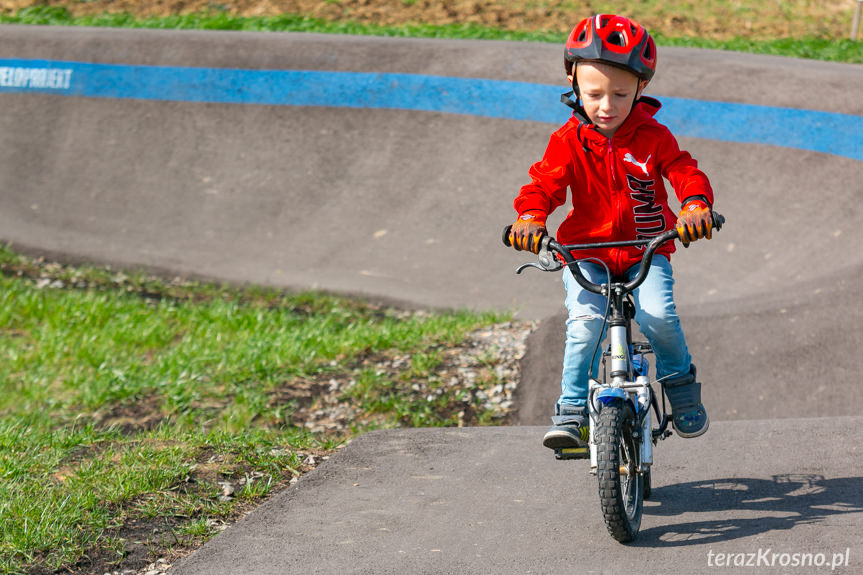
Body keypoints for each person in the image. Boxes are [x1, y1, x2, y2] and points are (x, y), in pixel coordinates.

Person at [506, 14, 716, 451]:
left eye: (620, 94)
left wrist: (695, 206)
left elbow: (682, 170)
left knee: (658, 315)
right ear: (573, 83)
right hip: (585, 252)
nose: (607, 106)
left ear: (640, 87)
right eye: (594, 94)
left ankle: (678, 384)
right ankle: (571, 412)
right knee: (584, 326)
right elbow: (543, 184)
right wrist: (530, 218)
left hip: (646, 250)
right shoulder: (568, 141)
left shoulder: (654, 136)